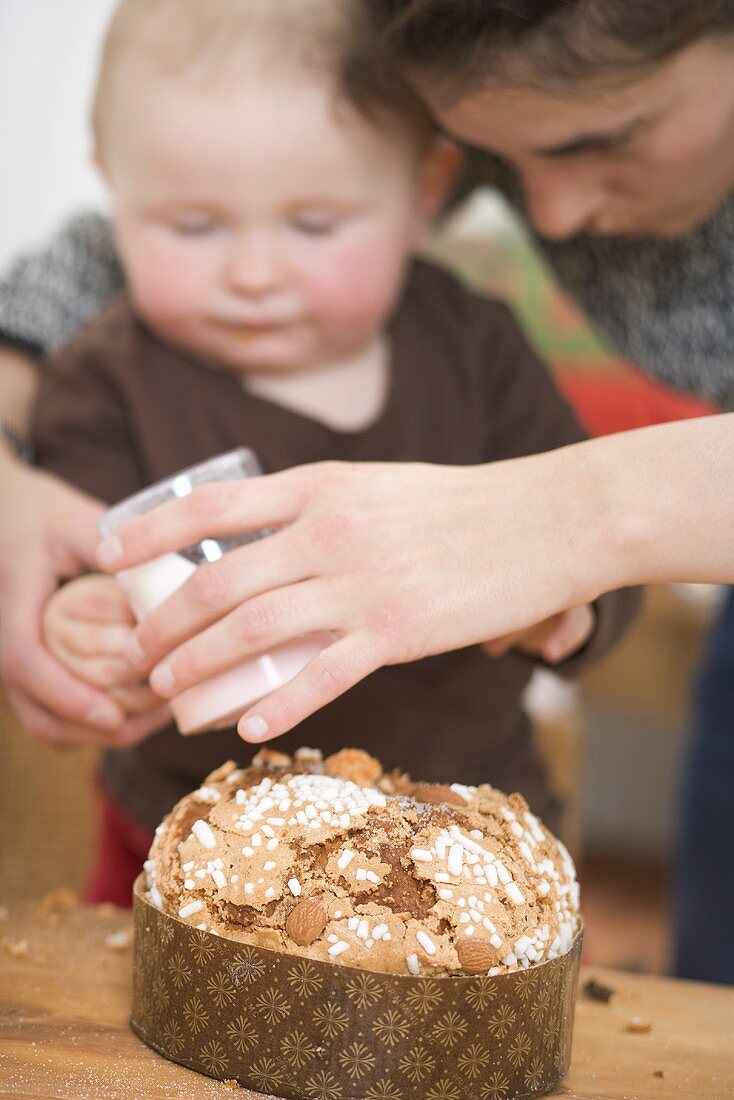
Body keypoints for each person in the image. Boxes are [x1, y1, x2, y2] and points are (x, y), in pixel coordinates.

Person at [1, 1, 731, 978]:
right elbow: (84, 556)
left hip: (459, 852)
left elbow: (601, 582)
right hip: (180, 828)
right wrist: (84, 621)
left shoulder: (477, 350)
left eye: (313, 224)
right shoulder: (100, 374)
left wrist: (564, 607)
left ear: (425, 191)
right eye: (190, 224)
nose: (254, 272)